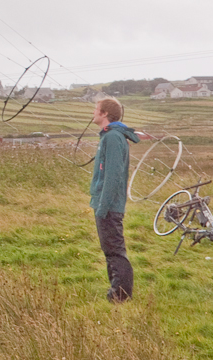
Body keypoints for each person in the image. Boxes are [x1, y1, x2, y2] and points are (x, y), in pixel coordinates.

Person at [89, 96, 139, 302]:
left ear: (104, 114)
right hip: (106, 203)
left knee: (115, 250)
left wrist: (103, 206)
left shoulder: (112, 138)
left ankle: (120, 295)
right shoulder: (111, 136)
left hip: (108, 205)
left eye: (96, 109)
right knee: (110, 249)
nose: (93, 112)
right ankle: (117, 292)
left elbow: (112, 176)